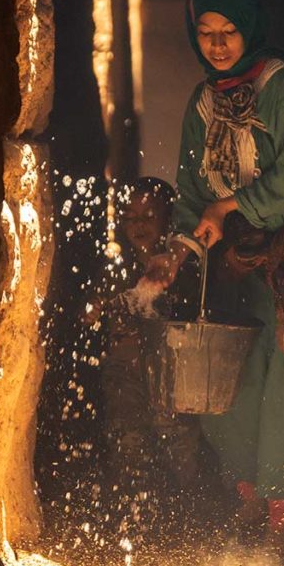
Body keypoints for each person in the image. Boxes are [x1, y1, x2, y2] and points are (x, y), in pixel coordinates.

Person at [143, 0, 284, 546]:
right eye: (206, 32)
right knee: (226, 382)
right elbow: (191, 195)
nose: (217, 44)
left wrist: (229, 205)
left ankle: (283, 521)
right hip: (236, 264)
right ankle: (248, 503)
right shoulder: (202, 101)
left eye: (229, 31)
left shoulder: (280, 85)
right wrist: (179, 251)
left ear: (250, 30)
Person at [84, 177, 201, 543]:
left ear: (168, 219)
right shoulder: (115, 267)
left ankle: (187, 526)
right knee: (127, 444)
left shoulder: (177, 269)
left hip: (169, 377)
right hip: (125, 376)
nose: (139, 224)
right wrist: (93, 311)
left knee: (179, 445)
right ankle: (133, 528)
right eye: (130, 216)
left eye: (149, 215)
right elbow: (94, 308)